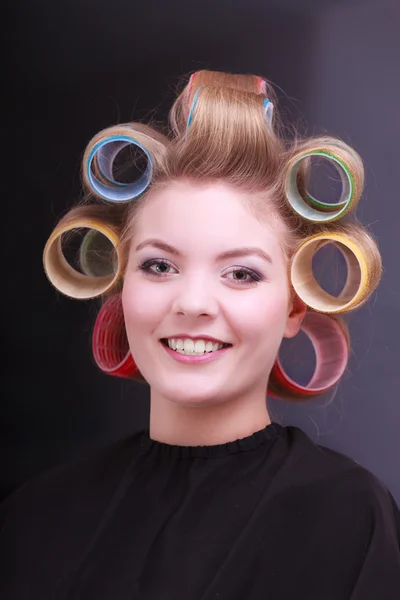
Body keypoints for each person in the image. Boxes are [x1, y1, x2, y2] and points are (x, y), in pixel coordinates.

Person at [1, 70, 399, 599]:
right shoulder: (33, 517)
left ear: (294, 305)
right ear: (120, 285)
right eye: (160, 266)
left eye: (241, 273)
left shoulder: (349, 519)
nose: (191, 304)